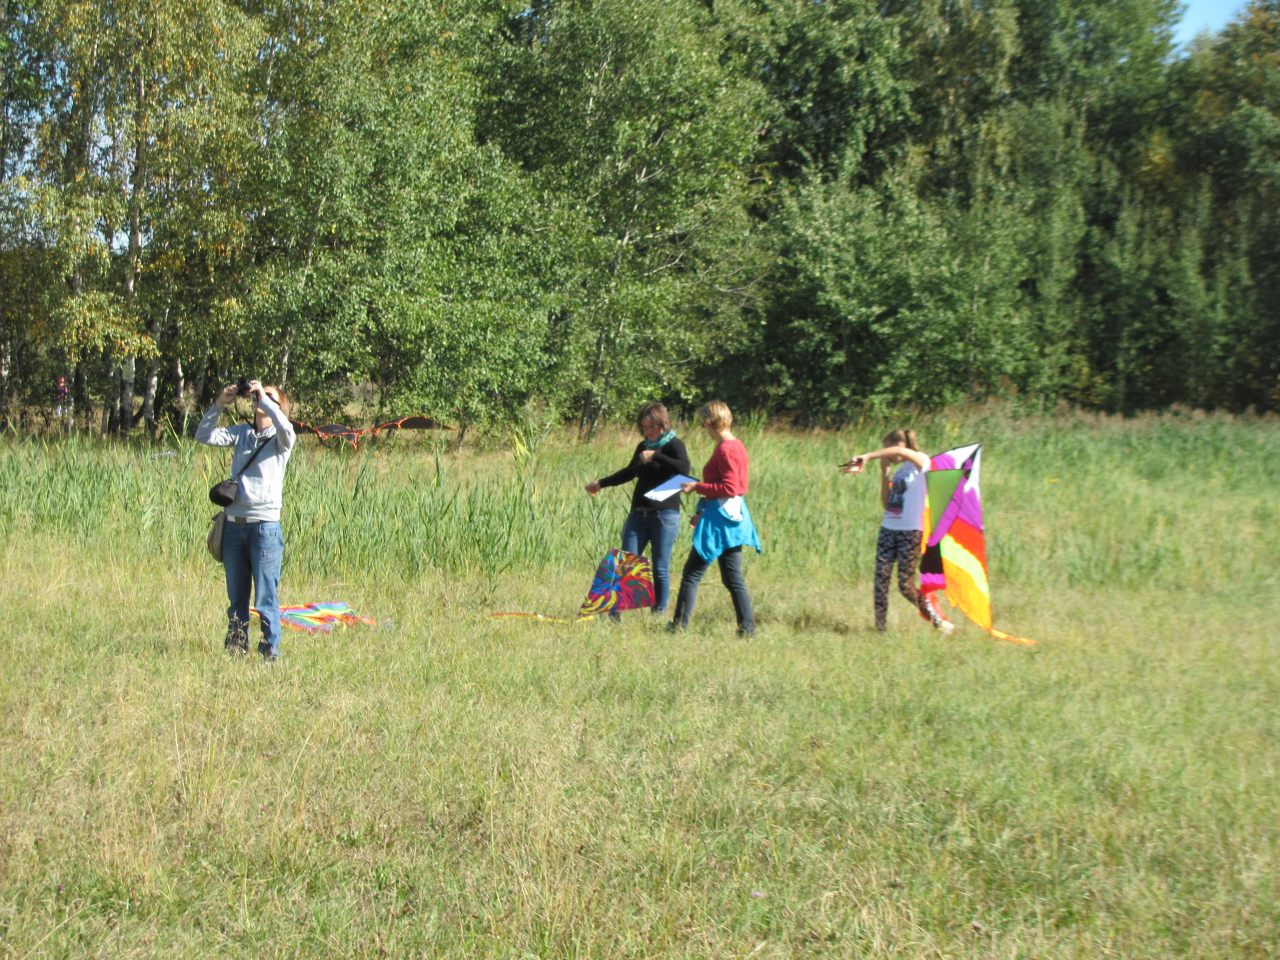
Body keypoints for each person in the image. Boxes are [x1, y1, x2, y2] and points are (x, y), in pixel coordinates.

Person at [196, 379, 296, 660]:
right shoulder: (242, 434)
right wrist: (220, 403)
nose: (260, 400)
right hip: (233, 526)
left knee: (265, 598)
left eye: (270, 398)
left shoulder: (281, 438)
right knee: (237, 598)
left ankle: (270, 652)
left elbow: (287, 429)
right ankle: (236, 649)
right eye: (257, 396)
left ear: (279, 407)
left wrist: (266, 398)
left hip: (265, 528)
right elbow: (203, 435)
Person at [841, 429, 952, 634]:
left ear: (900, 445)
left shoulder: (921, 461)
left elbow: (898, 452)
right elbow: (887, 504)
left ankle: (938, 622)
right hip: (888, 529)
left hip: (909, 532)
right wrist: (884, 473)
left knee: (905, 586)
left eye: (887, 448)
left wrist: (868, 457)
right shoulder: (901, 471)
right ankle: (880, 629)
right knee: (880, 581)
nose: (887, 453)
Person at [585, 403, 691, 614]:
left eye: (651, 427)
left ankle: (658, 612)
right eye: (644, 427)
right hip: (638, 514)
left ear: (662, 424)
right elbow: (629, 472)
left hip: (665, 515)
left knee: (660, 567)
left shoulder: (674, 445)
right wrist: (601, 484)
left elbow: (684, 469)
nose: (647, 432)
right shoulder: (643, 446)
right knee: (626, 562)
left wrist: (656, 456)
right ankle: (614, 612)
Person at [669, 400, 761, 637]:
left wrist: (696, 486)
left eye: (703, 422)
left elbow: (730, 487)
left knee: (692, 574)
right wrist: (702, 511)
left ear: (710, 422)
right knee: (732, 578)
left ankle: (678, 627)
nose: (703, 427)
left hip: (721, 520)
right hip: (731, 516)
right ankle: (747, 628)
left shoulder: (725, 449)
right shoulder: (737, 445)